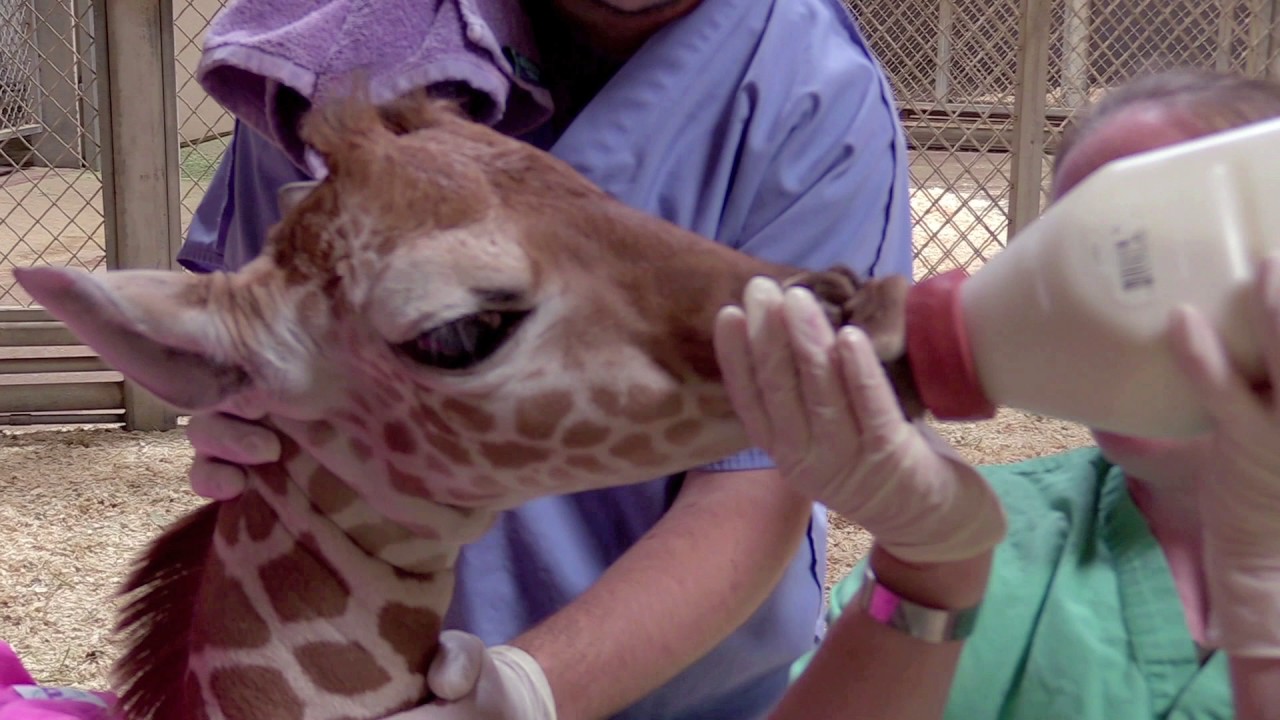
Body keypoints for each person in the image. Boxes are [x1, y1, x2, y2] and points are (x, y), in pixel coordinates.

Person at [178, 0, 915, 718]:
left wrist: (528, 693)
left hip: (685, 696)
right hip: (369, 664)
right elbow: (281, 374)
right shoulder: (322, 48)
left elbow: (758, 482)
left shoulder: (809, 84)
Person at [763, 68, 1280, 719]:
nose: (1098, 317)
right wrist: (927, 576)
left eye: (1151, 260)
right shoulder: (987, 530)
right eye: (1074, 257)